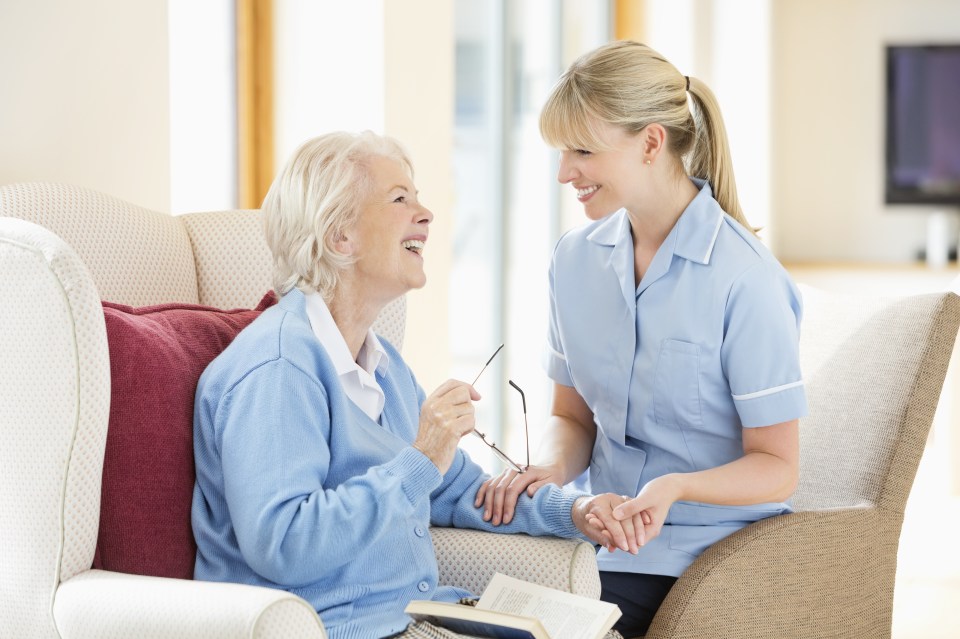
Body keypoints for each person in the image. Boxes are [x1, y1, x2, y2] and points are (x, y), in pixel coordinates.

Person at [191, 131, 632, 639]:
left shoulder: (384, 367)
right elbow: (286, 544)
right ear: (340, 236)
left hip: (410, 617)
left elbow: (462, 491)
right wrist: (421, 458)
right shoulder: (279, 367)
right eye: (400, 199)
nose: (426, 214)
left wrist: (574, 511)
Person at [475, 40, 807, 637]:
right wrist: (547, 469)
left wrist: (674, 488)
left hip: (710, 558)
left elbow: (778, 466)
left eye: (582, 150)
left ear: (652, 143)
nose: (563, 173)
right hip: (602, 543)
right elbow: (572, 418)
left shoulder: (746, 280)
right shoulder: (574, 261)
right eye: (559, 150)